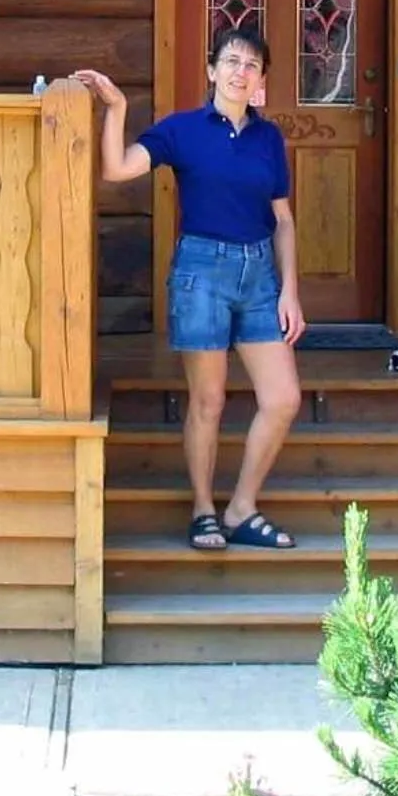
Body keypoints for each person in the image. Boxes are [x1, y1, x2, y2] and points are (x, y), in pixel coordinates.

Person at [74, 27, 305, 551]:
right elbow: (116, 168)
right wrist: (116, 108)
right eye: (230, 61)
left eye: (251, 65)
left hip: (259, 275)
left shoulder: (268, 138)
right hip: (201, 271)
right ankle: (203, 509)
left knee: (283, 397)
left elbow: (283, 220)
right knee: (208, 399)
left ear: (261, 80)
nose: (239, 71)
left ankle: (242, 508)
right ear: (211, 70)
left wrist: (290, 290)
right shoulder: (182, 130)